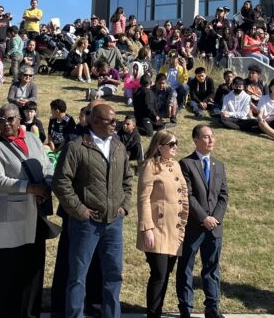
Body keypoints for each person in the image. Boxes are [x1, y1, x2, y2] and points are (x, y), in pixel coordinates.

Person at [52, 103, 134, 318]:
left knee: (114, 275)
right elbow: (61, 182)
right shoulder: (76, 146)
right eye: (111, 121)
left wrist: (124, 207)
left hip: (113, 224)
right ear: (95, 121)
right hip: (85, 225)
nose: (115, 125)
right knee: (78, 277)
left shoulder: (119, 146)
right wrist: (79, 211)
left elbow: (127, 179)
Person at [0, 104, 55, 318]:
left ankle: (30, 313)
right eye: (1, 120)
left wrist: (47, 183)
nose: (5, 124)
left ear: (19, 119)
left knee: (33, 270)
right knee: (7, 271)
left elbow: (47, 164)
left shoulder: (33, 139)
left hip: (35, 214)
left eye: (10, 119)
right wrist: (29, 187)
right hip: (9, 218)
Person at [177, 124, 228, 318]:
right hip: (193, 227)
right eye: (206, 137)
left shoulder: (219, 165)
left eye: (212, 136)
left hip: (214, 228)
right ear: (196, 140)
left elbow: (223, 196)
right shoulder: (186, 164)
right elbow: (187, 195)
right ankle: (186, 309)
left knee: (212, 269)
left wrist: (215, 218)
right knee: (186, 268)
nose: (211, 140)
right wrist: (203, 217)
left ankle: (212, 308)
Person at [136, 130, 188, 318]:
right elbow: (143, 200)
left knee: (165, 274)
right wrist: (147, 228)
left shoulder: (176, 165)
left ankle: (156, 311)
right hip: (156, 229)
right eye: (171, 144)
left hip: (173, 229)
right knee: (158, 274)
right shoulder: (150, 166)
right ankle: (153, 314)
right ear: (160, 146)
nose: (175, 147)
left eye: (176, 143)